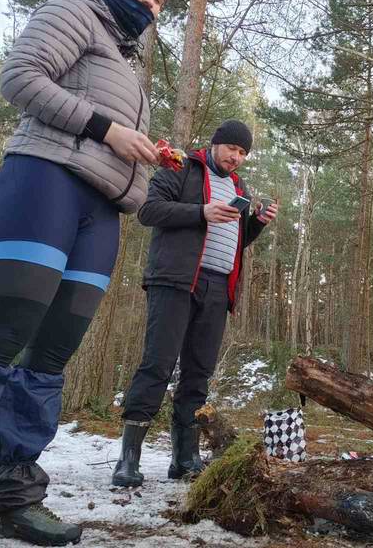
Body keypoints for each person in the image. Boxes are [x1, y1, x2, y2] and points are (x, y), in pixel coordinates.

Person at [0, 0, 168, 546]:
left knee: (53, 349)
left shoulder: (125, 58)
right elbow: (19, 77)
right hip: (45, 178)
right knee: (7, 328)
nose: (151, 2)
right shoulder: (76, 8)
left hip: (102, 210)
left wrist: (139, 151)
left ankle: (11, 497)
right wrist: (107, 129)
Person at [111, 119, 279, 487]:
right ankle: (128, 459)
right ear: (216, 143)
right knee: (157, 364)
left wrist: (257, 223)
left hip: (219, 289)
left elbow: (235, 240)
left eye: (243, 153)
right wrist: (201, 212)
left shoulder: (239, 186)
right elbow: (148, 211)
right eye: (232, 149)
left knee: (199, 373)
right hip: (175, 280)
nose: (237, 157)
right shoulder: (182, 168)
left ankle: (184, 459)